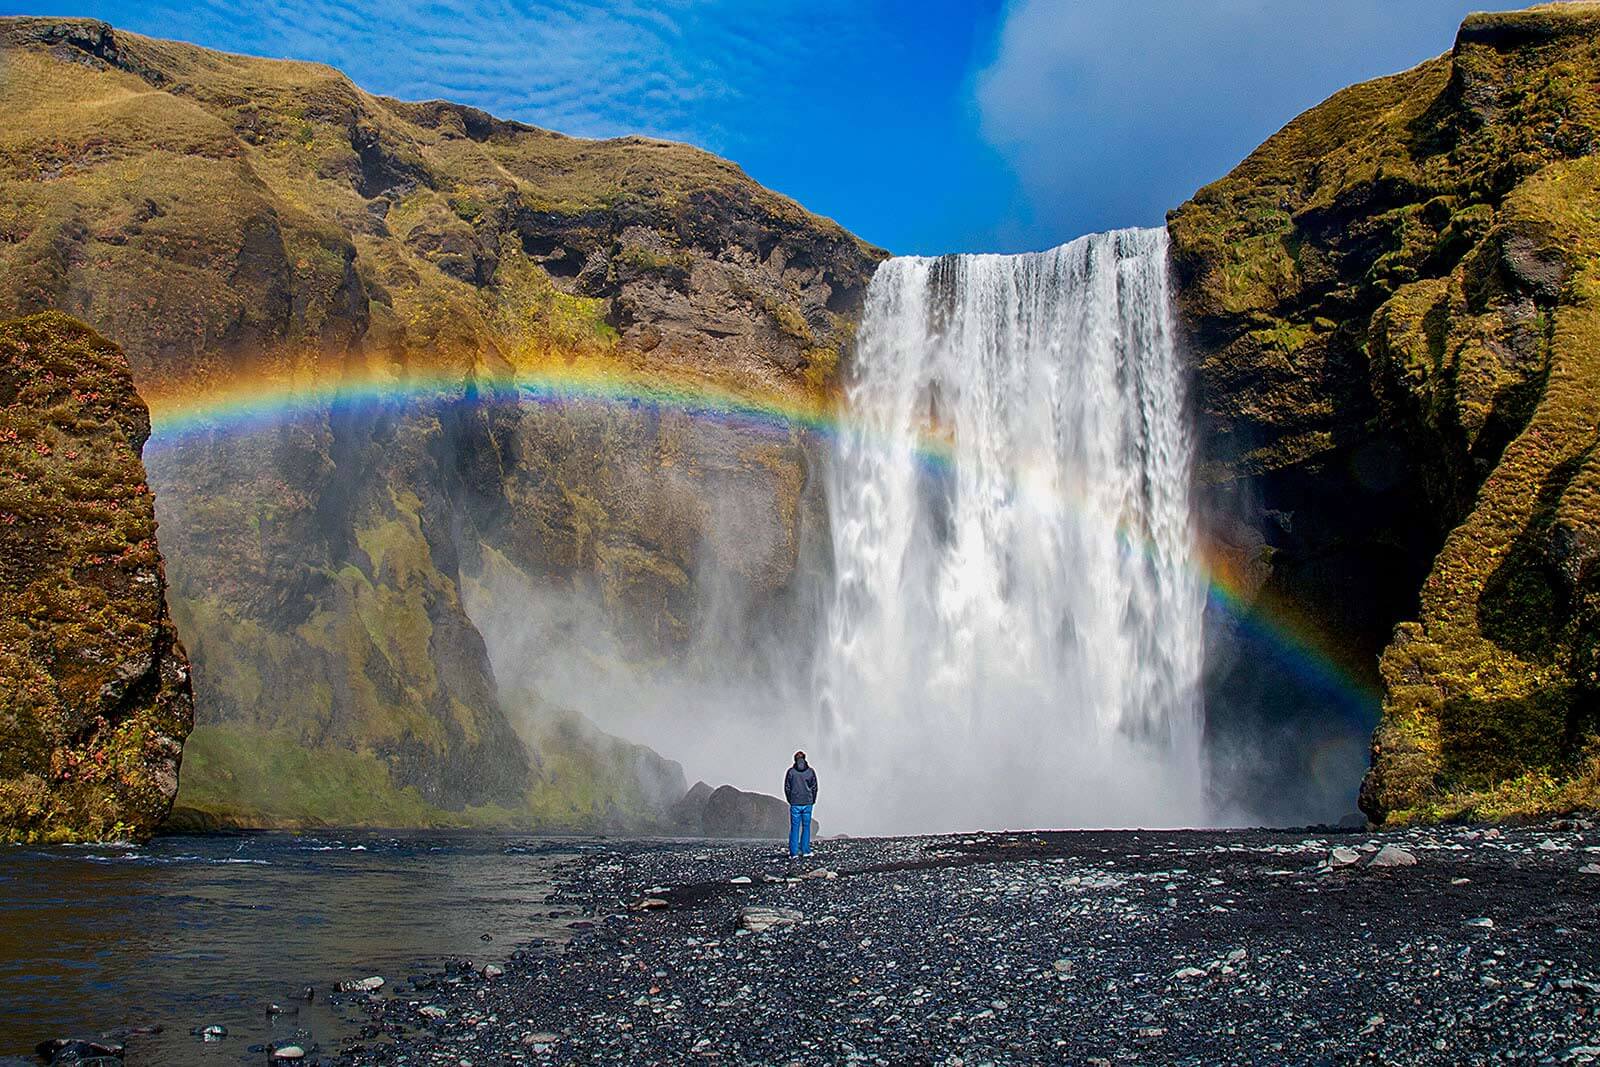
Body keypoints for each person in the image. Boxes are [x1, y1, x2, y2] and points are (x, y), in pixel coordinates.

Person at [784, 750, 818, 859]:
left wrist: (791, 799)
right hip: (807, 802)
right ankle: (805, 850)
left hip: (795, 802)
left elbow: (787, 788)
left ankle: (793, 853)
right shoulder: (810, 772)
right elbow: (814, 787)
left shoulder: (791, 772)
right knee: (806, 827)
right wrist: (812, 799)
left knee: (794, 827)